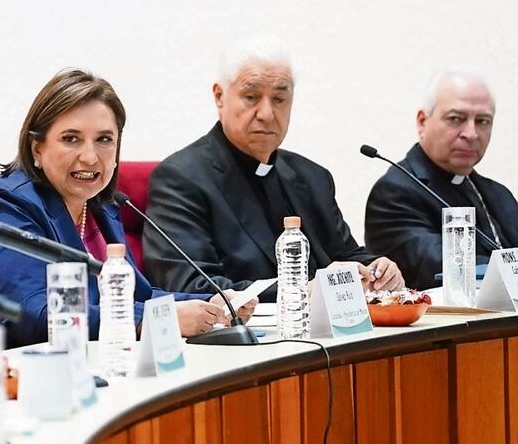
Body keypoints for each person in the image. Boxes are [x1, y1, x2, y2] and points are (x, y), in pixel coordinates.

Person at [0, 69, 254, 364]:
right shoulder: (6, 209)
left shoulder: (100, 206)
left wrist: (213, 302)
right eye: (71, 139)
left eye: (104, 140)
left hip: (73, 374)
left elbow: (136, 298)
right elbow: (38, 318)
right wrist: (159, 319)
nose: (90, 157)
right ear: (37, 148)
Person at [144, 36, 403, 300]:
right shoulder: (181, 179)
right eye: (251, 97)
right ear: (220, 97)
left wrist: (377, 270)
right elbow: (190, 285)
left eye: (279, 99)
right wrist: (299, 293)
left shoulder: (312, 176)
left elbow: (345, 255)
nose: (267, 114)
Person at [365, 66, 518, 289]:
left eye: (483, 121)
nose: (471, 134)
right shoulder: (394, 192)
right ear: (422, 121)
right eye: (456, 118)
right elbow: (440, 267)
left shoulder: (498, 194)